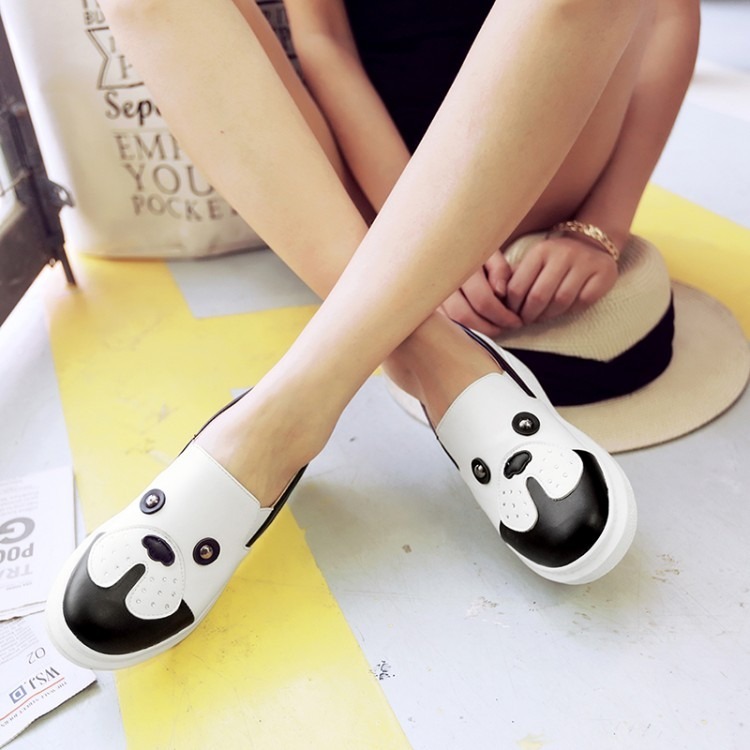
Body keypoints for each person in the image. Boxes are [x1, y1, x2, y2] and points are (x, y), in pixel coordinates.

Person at [45, 0, 699, 670]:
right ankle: (442, 361)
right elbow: (323, 43)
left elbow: (670, 14)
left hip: (546, 130)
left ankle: (281, 421)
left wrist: (603, 225)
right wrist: (422, 238)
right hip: (365, 168)